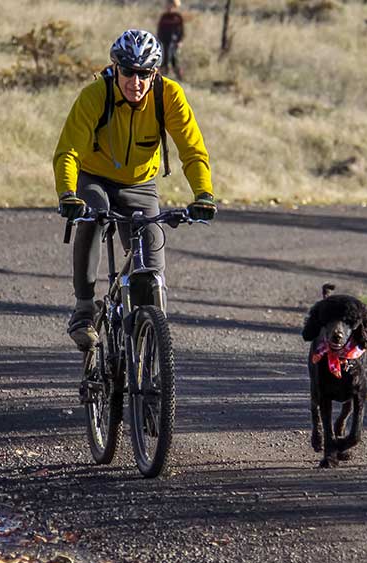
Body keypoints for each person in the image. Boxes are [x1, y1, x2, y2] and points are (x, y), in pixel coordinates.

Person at [53, 29, 216, 351]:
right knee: (92, 218)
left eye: (145, 73)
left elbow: (193, 150)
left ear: (154, 73)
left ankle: (145, 344)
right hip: (94, 178)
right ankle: (84, 310)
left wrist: (203, 194)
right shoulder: (94, 95)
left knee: (150, 266)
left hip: (141, 184)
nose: (136, 82)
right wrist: (68, 195)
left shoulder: (168, 95)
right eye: (128, 71)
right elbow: (68, 152)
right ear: (115, 68)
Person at [157, 0, 185, 80]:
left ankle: (179, 77)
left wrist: (180, 41)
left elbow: (181, 31)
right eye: (168, 5)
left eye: (171, 5)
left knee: (174, 59)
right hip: (164, 42)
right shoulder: (164, 17)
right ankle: (162, 77)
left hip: (174, 42)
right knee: (164, 59)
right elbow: (160, 30)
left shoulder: (178, 17)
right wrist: (159, 40)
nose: (169, 7)